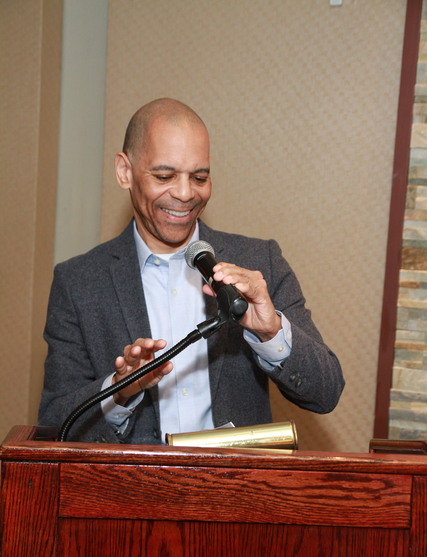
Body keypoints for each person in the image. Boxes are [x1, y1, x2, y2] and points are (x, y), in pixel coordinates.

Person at [38, 98, 345, 443]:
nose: (185, 194)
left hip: (237, 477)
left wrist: (271, 332)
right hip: (132, 479)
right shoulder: (78, 282)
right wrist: (120, 390)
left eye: (199, 177)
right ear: (125, 171)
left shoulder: (261, 261)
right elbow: (54, 423)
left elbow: (326, 393)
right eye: (164, 176)